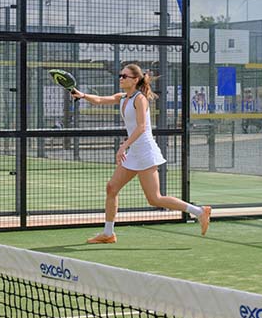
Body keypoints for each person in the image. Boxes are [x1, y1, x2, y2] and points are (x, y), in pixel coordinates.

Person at [71, 64, 211, 244]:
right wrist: (82, 95)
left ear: (135, 80)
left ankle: (200, 211)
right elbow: (99, 100)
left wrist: (123, 146)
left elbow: (142, 127)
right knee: (111, 188)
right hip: (134, 152)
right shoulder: (123, 97)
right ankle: (108, 234)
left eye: (125, 76)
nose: (121, 78)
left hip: (145, 151)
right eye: (120, 75)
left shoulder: (140, 99)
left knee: (155, 199)